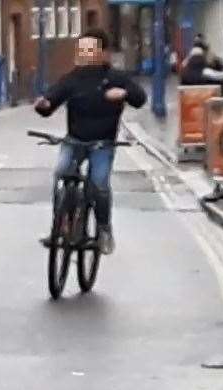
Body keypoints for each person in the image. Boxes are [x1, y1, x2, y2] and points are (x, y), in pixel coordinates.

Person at [34, 28, 146, 255]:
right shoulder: (73, 78)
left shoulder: (116, 78)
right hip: (75, 140)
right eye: (82, 50)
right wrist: (44, 105)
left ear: (103, 53)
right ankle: (61, 227)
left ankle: (104, 229)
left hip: (102, 143)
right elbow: (52, 100)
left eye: (90, 50)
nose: (85, 55)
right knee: (61, 172)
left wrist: (123, 94)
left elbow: (140, 98)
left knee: (98, 183)